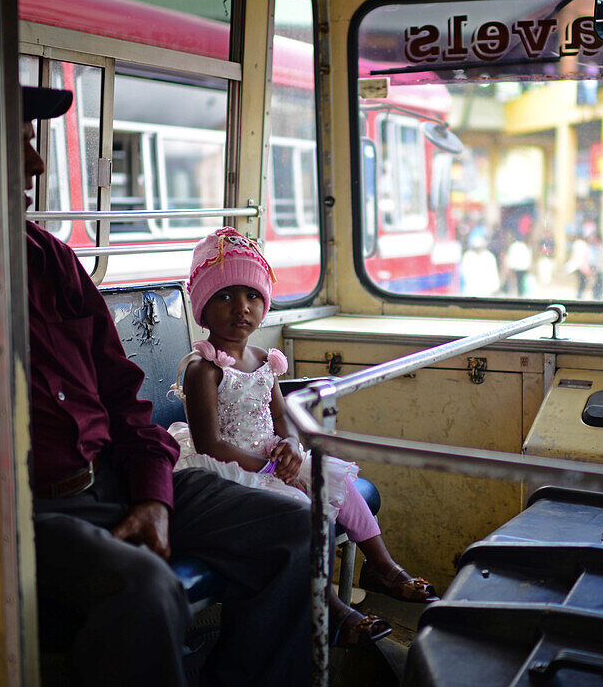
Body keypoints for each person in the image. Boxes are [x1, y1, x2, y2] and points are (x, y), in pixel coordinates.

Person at [0, 57, 312, 686]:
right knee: (143, 589)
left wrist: (154, 494)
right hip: (9, 518)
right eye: (15, 145)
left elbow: (125, 401)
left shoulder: (47, 258)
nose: (37, 166)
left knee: (291, 526)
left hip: (112, 482)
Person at [168, 227, 438, 647]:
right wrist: (271, 468)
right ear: (203, 309)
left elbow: (284, 418)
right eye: (225, 297)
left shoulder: (263, 359)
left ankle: (384, 567)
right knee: (296, 507)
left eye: (252, 297)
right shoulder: (203, 369)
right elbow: (209, 445)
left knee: (340, 484)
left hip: (272, 455)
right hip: (226, 468)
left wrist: (291, 446)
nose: (241, 308)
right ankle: (330, 607)